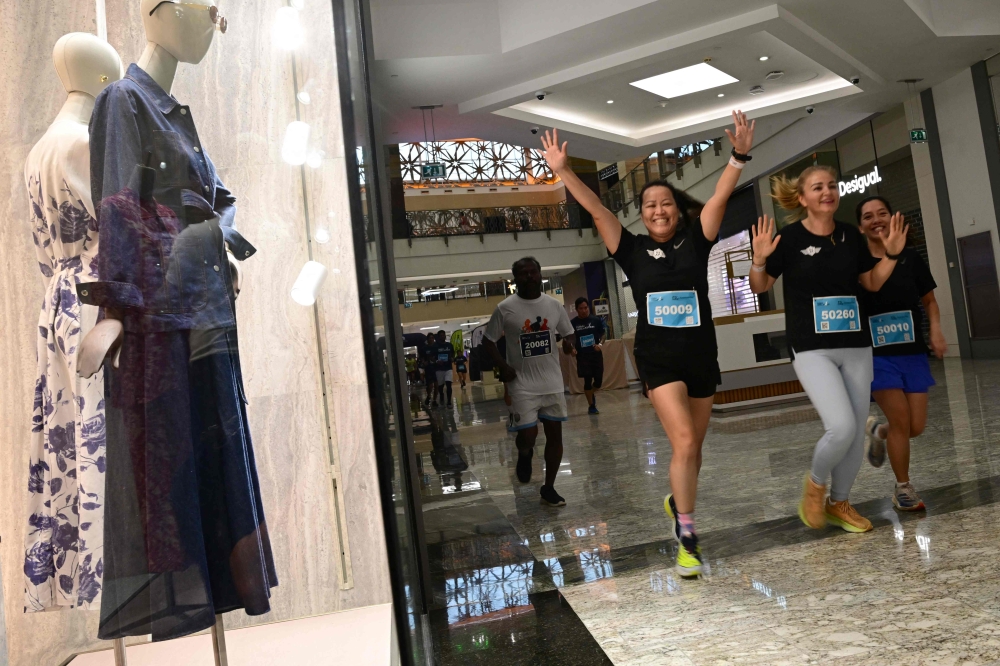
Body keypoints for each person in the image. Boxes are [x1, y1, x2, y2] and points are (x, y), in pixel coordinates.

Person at [540, 112, 755, 577]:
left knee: (693, 449)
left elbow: (719, 196)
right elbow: (598, 211)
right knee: (681, 441)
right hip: (658, 360)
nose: (658, 210)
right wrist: (563, 172)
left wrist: (737, 155)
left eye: (666, 204)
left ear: (677, 209)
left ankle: (677, 501)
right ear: (642, 213)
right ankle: (689, 536)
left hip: (701, 356)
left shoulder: (698, 242)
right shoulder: (631, 249)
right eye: (650, 205)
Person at [749, 167, 907, 534]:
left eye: (832, 186)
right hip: (811, 348)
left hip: (855, 345)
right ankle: (815, 486)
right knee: (841, 426)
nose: (828, 192)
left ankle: (839, 502)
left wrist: (892, 255)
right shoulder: (788, 239)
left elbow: (870, 282)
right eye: (817, 187)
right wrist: (758, 260)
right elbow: (760, 286)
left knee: (853, 432)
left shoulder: (851, 236)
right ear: (802, 198)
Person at [857, 196, 946, 511]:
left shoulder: (911, 258)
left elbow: (930, 302)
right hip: (876, 356)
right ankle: (903, 489)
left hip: (912, 351)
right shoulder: (858, 261)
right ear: (860, 226)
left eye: (882, 213)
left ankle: (877, 432)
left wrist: (935, 330)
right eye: (868, 216)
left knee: (914, 427)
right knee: (900, 419)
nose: (876, 219)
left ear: (892, 217)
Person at [483, 256, 575, 507]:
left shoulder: (553, 306)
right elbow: (488, 341)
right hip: (522, 384)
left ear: (540, 274)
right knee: (529, 434)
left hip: (552, 382)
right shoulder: (505, 308)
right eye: (523, 273)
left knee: (556, 436)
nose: (529, 277)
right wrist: (503, 367)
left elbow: (569, 334)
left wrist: (568, 344)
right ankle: (525, 452)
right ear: (515, 279)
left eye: (533, 272)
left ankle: (549, 487)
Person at [569, 297, 606, 414]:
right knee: (587, 380)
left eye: (586, 308)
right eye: (581, 308)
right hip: (583, 356)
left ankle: (590, 393)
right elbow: (570, 340)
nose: (584, 310)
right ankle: (591, 406)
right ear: (576, 309)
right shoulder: (573, 323)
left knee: (598, 381)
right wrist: (572, 349)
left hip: (595, 355)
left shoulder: (595, 320)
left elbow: (603, 335)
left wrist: (600, 344)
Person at [433, 329, 456, 405]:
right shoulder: (435, 346)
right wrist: (437, 361)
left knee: (449, 384)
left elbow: (453, 354)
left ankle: (449, 401)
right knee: (440, 386)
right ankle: (442, 395)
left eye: (444, 335)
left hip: (448, 368)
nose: (443, 337)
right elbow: (432, 357)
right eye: (441, 336)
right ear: (438, 337)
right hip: (439, 369)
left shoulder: (449, 345)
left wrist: (452, 358)